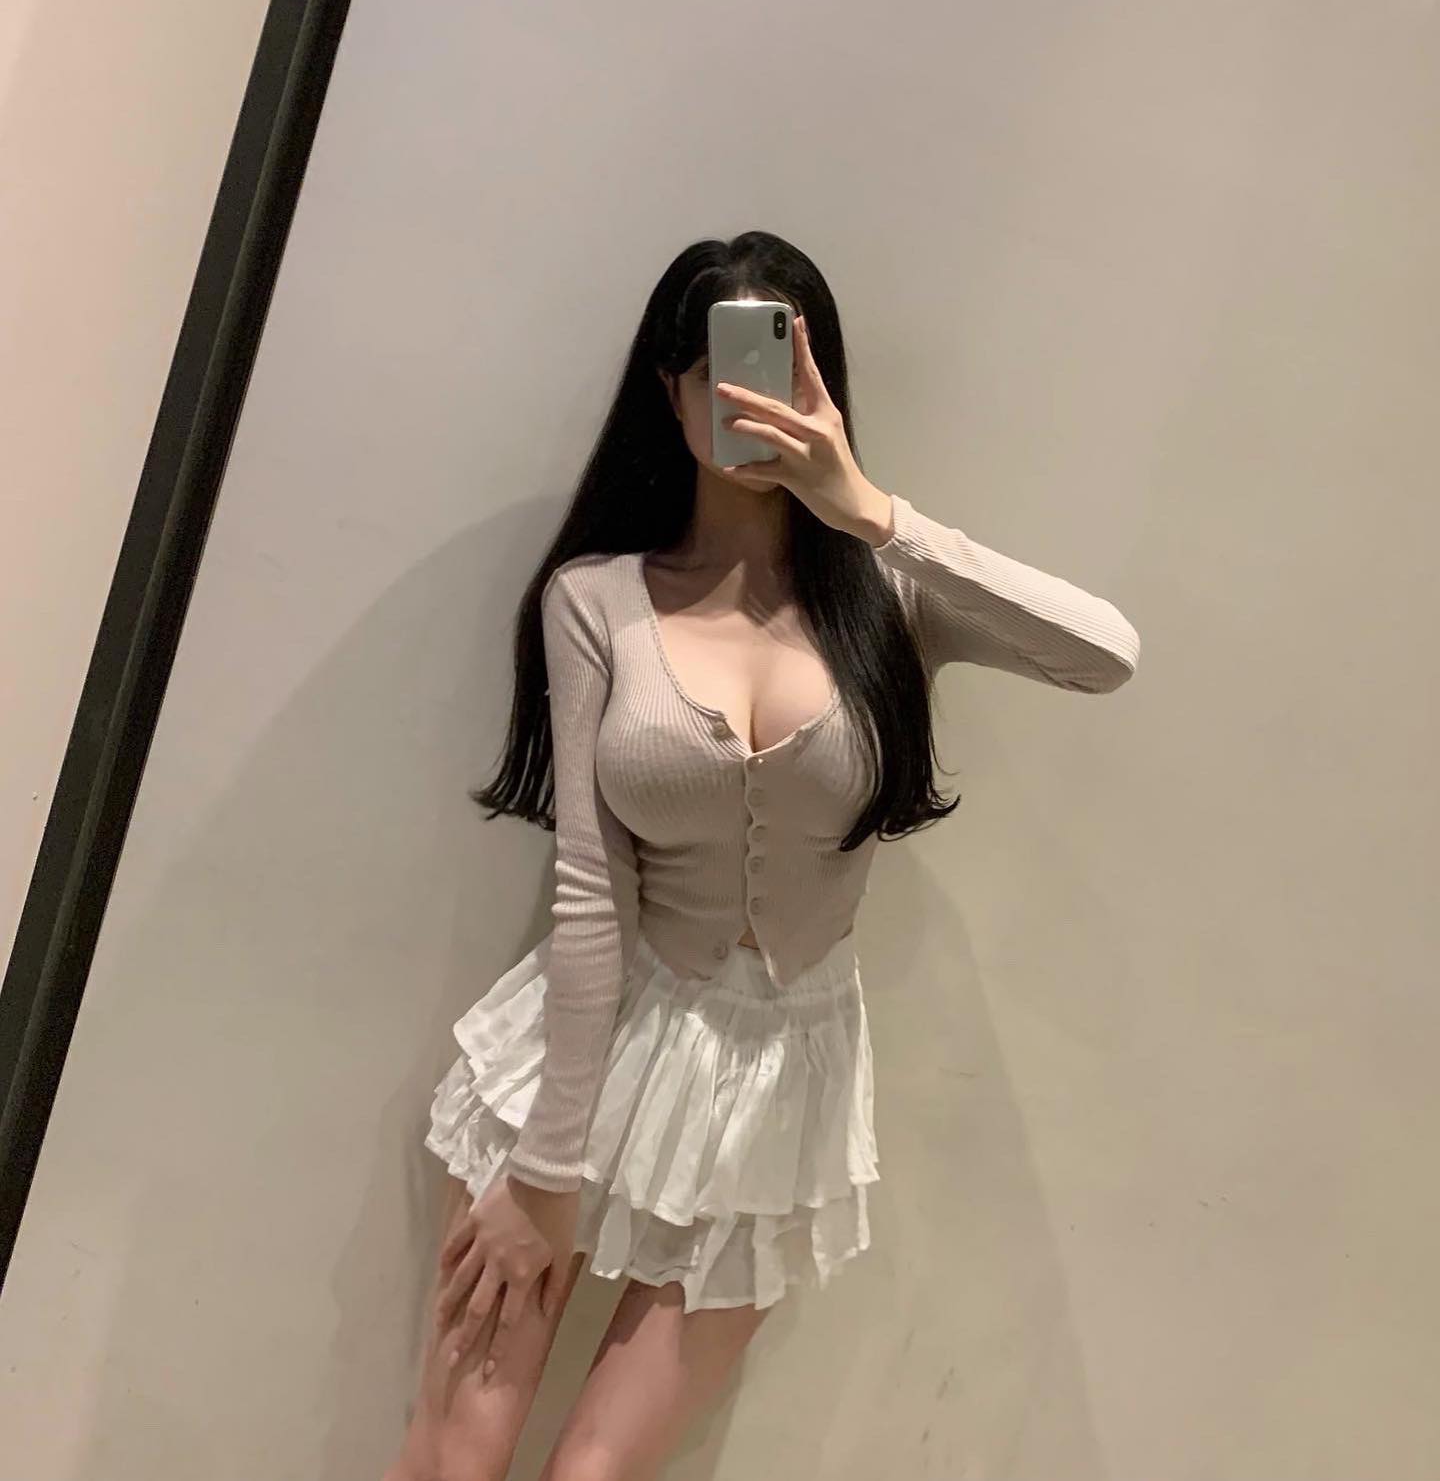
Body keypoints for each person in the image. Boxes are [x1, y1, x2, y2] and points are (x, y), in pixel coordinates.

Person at [383, 231, 1140, 1481]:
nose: (747, 401)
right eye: (717, 371)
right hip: (582, 1058)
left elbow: (1103, 652)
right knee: (455, 1457)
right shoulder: (597, 599)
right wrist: (547, 1171)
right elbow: (591, 891)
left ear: (822, 384)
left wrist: (874, 512)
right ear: (671, 389)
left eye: (780, 369)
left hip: (779, 1088)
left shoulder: (891, 597)